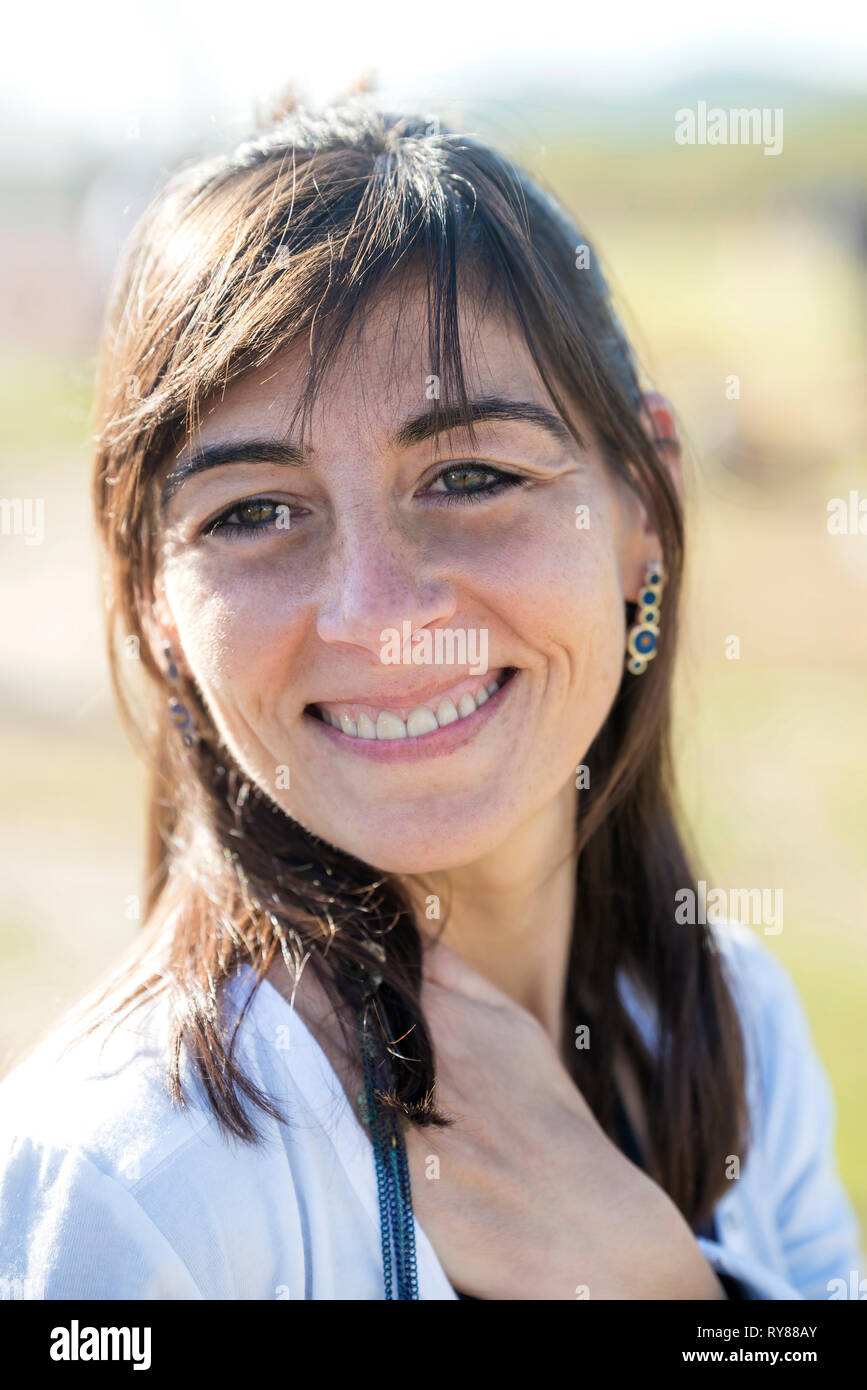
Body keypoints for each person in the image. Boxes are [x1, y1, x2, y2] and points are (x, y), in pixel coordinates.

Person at [0, 100, 861, 1301]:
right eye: (252, 510)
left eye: (471, 475)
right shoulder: (126, 1185)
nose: (375, 611)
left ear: (643, 512)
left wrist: (653, 1280)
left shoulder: (737, 1023)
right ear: (156, 597)